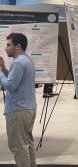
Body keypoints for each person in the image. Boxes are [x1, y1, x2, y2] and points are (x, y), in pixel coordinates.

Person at [0, 33, 37, 167]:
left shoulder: (18, 62)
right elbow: (15, 80)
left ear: (18, 46)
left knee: (18, 146)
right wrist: (4, 69)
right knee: (27, 143)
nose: (6, 48)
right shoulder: (26, 60)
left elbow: (10, 86)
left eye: (9, 45)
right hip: (28, 108)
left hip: (18, 110)